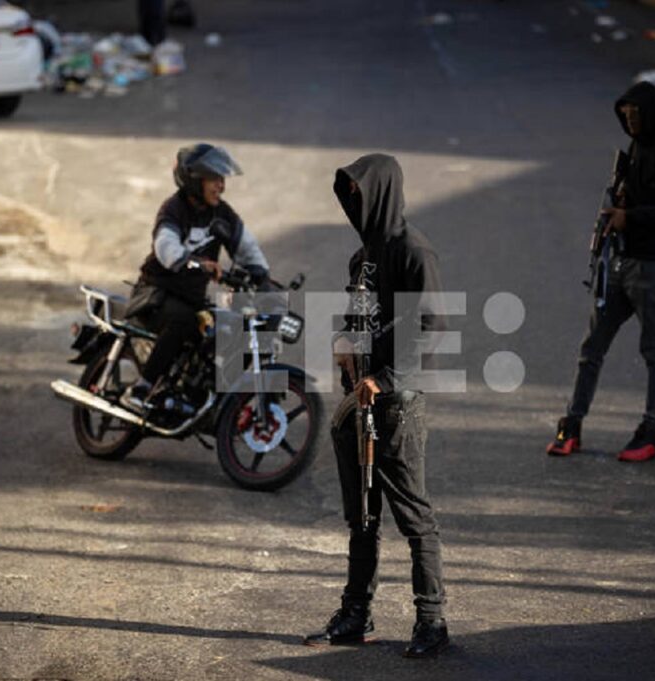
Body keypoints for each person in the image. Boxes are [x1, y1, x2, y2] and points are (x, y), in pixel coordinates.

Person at [303, 154, 449, 658]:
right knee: (362, 517)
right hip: (358, 402)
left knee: (414, 519)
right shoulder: (362, 258)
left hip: (397, 404)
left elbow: (430, 327)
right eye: (348, 196)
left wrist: (384, 379)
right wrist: (343, 343)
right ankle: (355, 615)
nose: (353, 204)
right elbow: (357, 319)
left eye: (359, 194)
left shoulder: (414, 252)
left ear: (381, 193)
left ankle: (431, 621)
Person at [546, 81, 655, 462]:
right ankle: (572, 422)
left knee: (653, 350)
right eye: (625, 117)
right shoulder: (635, 149)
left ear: (651, 114)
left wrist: (632, 217)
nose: (630, 123)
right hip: (620, 262)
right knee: (592, 347)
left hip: (652, 267)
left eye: (635, 116)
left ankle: (650, 429)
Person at [121, 143, 270, 411]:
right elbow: (166, 248)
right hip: (155, 295)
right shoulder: (174, 209)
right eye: (214, 179)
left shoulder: (222, 214)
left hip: (191, 299)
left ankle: (195, 395)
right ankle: (141, 388)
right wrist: (197, 263)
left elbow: (247, 247)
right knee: (184, 320)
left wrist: (261, 275)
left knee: (225, 328)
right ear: (193, 180)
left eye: (222, 179)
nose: (221, 186)